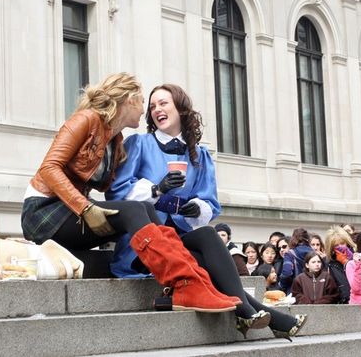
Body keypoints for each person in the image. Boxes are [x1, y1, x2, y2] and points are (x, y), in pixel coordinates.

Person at [21, 73, 236, 313]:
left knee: (142, 209)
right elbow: (49, 168)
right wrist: (86, 207)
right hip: (45, 209)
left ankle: (190, 284)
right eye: (145, 102)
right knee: (136, 208)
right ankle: (185, 283)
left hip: (74, 210)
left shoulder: (116, 140)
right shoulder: (86, 119)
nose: (148, 110)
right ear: (128, 100)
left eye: (158, 104)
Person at [107, 83, 307, 340]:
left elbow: (209, 203)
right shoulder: (140, 144)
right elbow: (117, 192)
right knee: (207, 267)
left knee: (208, 236)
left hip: (178, 237)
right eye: (153, 105)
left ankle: (252, 314)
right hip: (146, 243)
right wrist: (157, 190)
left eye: (164, 103)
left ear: (180, 108)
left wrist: (195, 208)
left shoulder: (199, 155)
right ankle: (260, 314)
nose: (157, 109)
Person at [324, 226, 355, 304]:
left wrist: (347, 262)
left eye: (342, 243)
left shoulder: (355, 259)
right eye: (336, 245)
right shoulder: (328, 263)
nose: (340, 247)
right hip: (340, 303)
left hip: (356, 301)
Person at [278, 228, 313, 294]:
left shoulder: (290, 254)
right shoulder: (314, 253)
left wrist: (281, 285)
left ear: (293, 238)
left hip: (295, 291)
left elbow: (287, 273)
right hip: (313, 291)